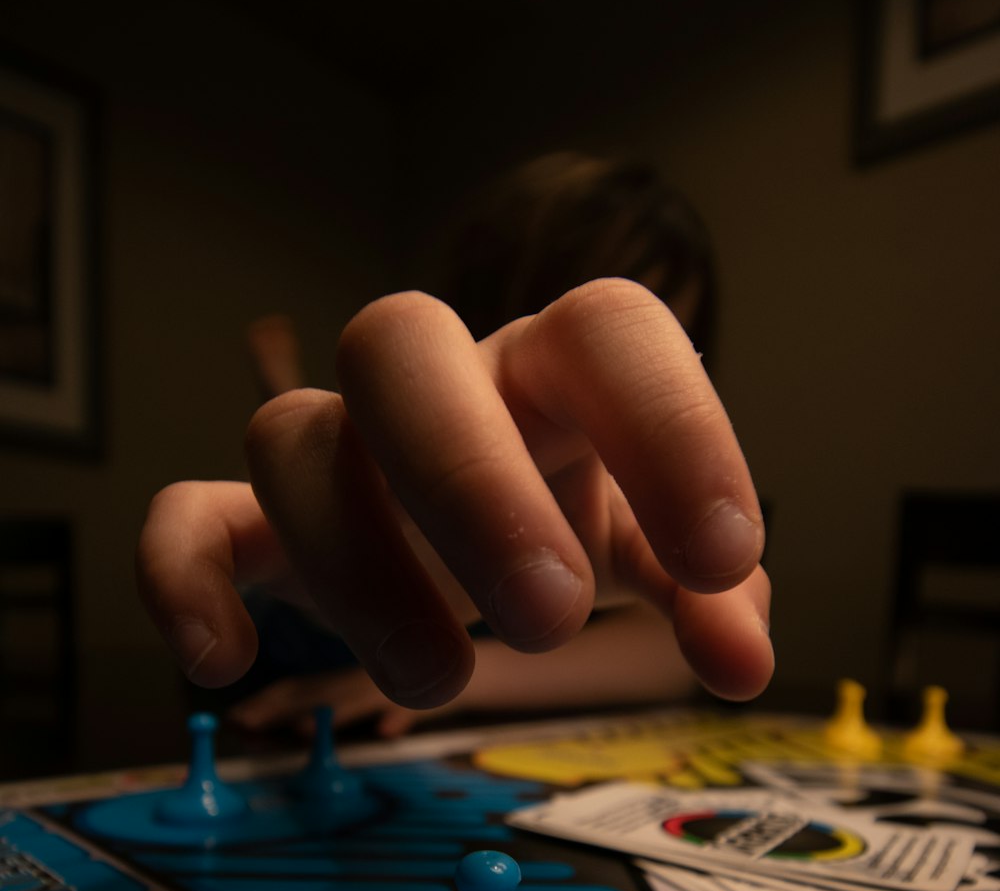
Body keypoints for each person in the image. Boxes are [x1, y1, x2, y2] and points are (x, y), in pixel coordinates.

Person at [135, 153, 772, 740]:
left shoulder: (630, 518)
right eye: (558, 310)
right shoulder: (407, 485)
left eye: (677, 342)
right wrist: (327, 582)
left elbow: (669, 653)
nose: (633, 369)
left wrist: (470, 679)